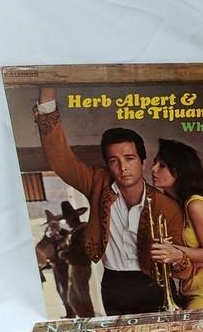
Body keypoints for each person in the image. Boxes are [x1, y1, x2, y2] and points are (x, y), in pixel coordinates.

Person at [33, 88, 192, 315]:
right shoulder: (97, 183)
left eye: (129, 158)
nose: (123, 167)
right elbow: (61, 161)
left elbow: (183, 270)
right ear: (107, 165)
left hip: (153, 285)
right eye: (114, 161)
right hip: (113, 284)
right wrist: (47, 101)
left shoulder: (168, 207)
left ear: (143, 162)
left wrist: (178, 257)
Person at [148, 139, 203, 308]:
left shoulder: (195, 205)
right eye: (154, 163)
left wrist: (173, 251)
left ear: (179, 171)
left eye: (162, 165)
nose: (153, 169)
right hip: (191, 288)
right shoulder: (181, 204)